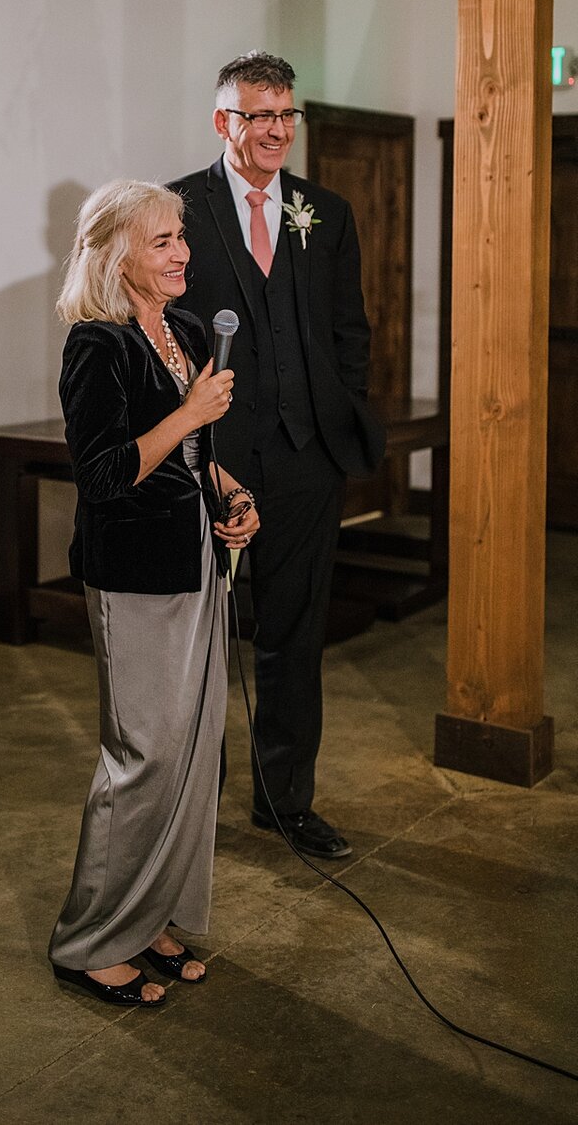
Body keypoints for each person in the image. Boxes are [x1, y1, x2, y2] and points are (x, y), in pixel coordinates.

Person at [48, 180, 259, 1007]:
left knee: (192, 754)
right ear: (116, 252)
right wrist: (192, 409)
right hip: (132, 572)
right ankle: (88, 940)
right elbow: (103, 477)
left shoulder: (189, 331)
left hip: (197, 559)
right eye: (163, 240)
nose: (182, 253)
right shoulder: (94, 346)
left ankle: (151, 919)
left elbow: (195, 457)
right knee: (142, 757)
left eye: (181, 238)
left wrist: (235, 496)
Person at [171, 51, 385, 860]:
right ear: (224, 120)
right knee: (201, 634)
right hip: (212, 456)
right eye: (258, 115)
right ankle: (189, 804)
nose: (275, 131)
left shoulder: (323, 211)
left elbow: (348, 328)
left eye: (286, 115)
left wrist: (338, 404)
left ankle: (286, 801)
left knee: (295, 632)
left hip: (306, 454)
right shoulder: (179, 206)